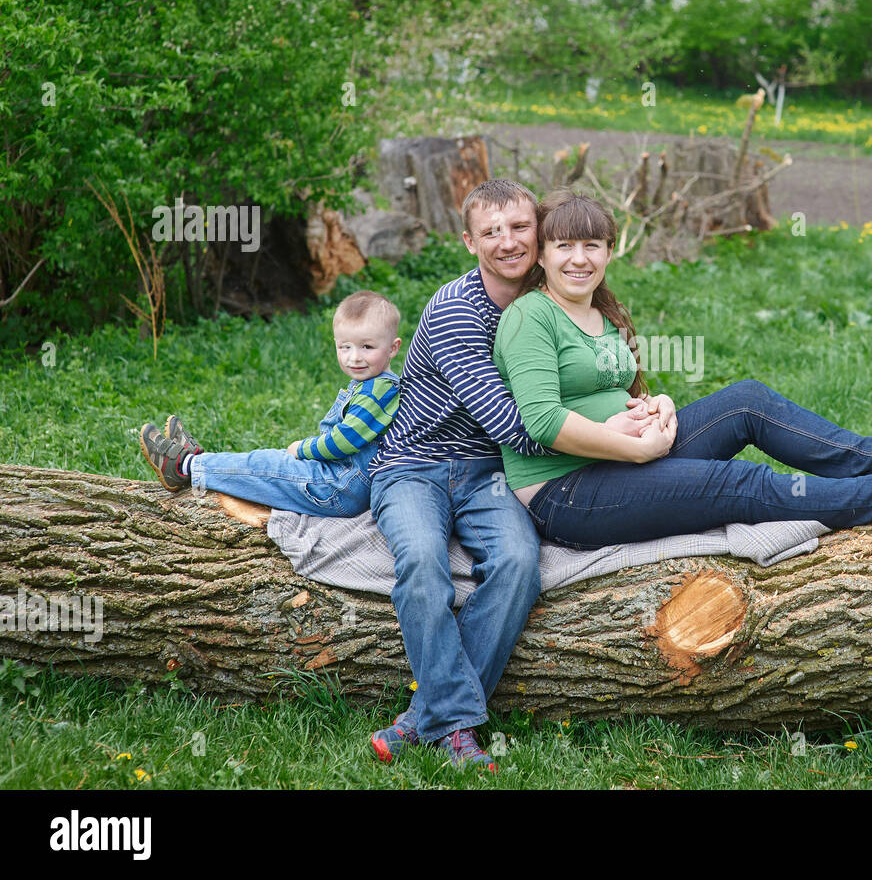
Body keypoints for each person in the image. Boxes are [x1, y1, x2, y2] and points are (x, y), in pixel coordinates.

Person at [492, 189, 872, 550]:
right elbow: (543, 421)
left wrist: (656, 405)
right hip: (569, 494)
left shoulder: (600, 310)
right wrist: (638, 448)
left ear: (609, 251)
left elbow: (609, 389)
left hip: (625, 456)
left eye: (592, 246)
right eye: (564, 247)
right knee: (738, 484)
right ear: (544, 253)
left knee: (747, 401)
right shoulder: (529, 315)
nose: (580, 259)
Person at [365, 179, 658, 769]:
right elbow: (513, 419)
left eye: (520, 227)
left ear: (541, 233)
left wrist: (644, 408)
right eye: (491, 231)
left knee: (520, 563)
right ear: (469, 241)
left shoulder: (550, 296)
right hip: (414, 468)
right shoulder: (456, 308)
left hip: (488, 475)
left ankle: (424, 720)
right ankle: (455, 727)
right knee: (422, 560)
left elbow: (599, 377)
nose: (508, 241)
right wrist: (613, 440)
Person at [138, 290, 402, 518]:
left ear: (393, 348)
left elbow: (345, 440)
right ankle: (198, 459)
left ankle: (184, 467)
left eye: (367, 347)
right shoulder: (370, 383)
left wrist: (303, 449)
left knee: (268, 467)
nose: (354, 357)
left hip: (338, 488)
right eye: (345, 347)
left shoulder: (378, 390)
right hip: (335, 477)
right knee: (267, 461)